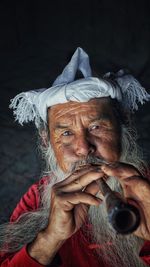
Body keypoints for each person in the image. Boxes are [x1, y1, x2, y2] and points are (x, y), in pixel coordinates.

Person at [0, 47, 150, 267]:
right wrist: (51, 237)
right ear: (46, 141)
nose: (83, 148)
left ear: (123, 127)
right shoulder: (36, 199)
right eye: (67, 133)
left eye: (97, 127)